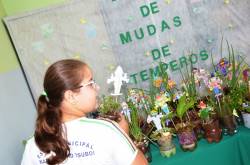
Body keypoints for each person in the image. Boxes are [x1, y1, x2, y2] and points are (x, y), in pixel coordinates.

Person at [21, 59, 148, 165]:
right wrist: (123, 135)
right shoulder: (105, 130)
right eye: (91, 83)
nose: (97, 88)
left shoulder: (33, 144)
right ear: (71, 96)